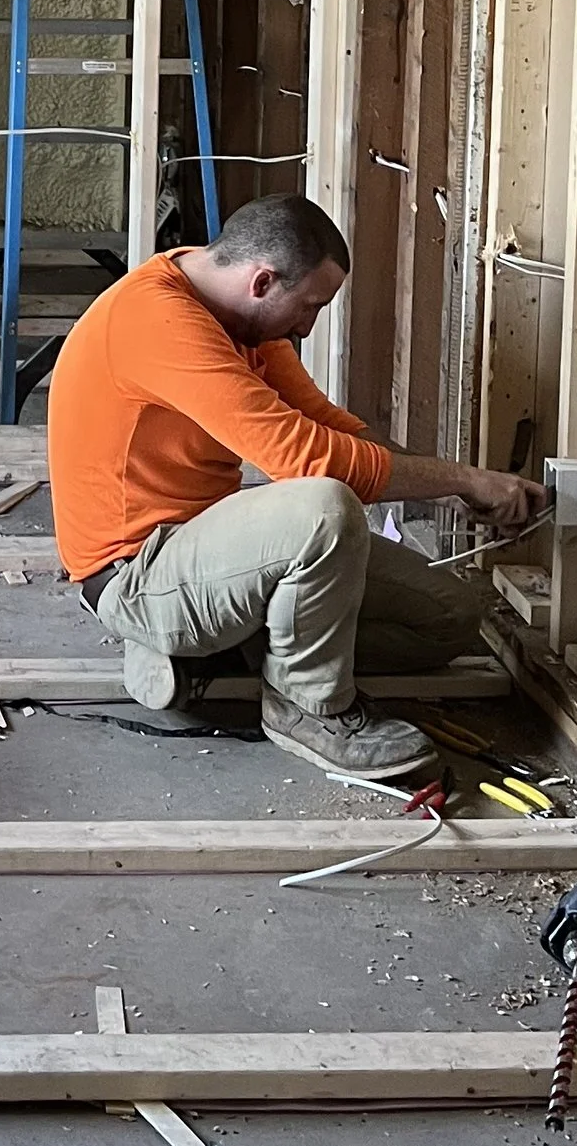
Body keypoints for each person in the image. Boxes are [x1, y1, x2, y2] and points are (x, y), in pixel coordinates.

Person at [45, 193, 547, 782]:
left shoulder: (239, 319)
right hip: (137, 573)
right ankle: (308, 708)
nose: (308, 325)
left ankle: (221, 651)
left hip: (210, 552)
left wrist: (463, 487)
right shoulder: (159, 321)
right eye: (309, 306)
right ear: (262, 281)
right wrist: (461, 479)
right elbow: (301, 456)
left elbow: (327, 423)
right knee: (323, 508)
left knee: (452, 615)